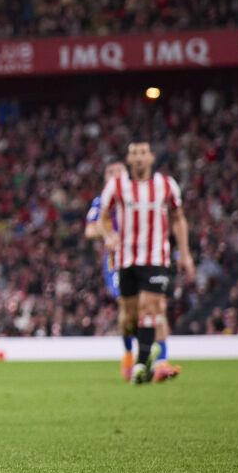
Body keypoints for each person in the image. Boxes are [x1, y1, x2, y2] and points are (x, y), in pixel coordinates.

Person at [97, 141, 192, 384]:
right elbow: (102, 218)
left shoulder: (166, 185)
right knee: (129, 317)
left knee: (151, 307)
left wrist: (185, 253)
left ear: (151, 158)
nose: (139, 158)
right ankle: (140, 356)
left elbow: (179, 219)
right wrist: (109, 236)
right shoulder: (116, 186)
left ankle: (143, 363)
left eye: (143, 153)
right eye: (134, 154)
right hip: (126, 259)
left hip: (156, 258)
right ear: (128, 160)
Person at [83, 159, 137, 379]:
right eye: (110, 173)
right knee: (125, 303)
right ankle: (128, 354)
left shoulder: (138, 198)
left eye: (120, 172)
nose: (115, 176)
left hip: (142, 255)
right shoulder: (101, 202)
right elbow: (89, 231)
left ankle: (152, 356)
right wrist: (107, 233)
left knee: (147, 305)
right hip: (117, 259)